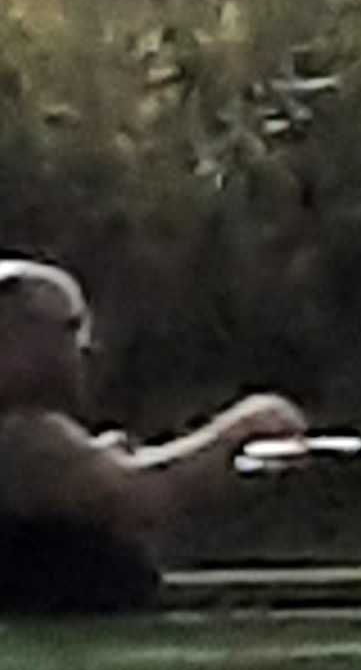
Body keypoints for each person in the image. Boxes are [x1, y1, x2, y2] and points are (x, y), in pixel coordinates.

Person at [0, 262, 308, 616]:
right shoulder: (23, 437)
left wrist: (100, 457)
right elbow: (139, 497)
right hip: (61, 658)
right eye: (71, 327)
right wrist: (239, 431)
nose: (85, 348)